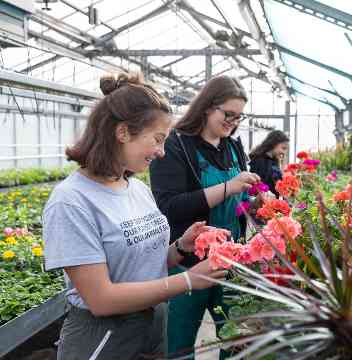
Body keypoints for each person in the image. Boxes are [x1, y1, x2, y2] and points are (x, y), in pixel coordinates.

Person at [43, 72, 227, 360]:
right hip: (104, 337)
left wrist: (180, 248)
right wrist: (188, 281)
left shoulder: (137, 189)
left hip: (152, 325)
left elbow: (140, 264)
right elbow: (101, 299)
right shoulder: (71, 201)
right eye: (157, 139)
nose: (162, 152)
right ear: (123, 132)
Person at [149, 75, 260, 358]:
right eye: (228, 114)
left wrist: (255, 201)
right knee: (180, 343)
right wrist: (228, 187)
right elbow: (169, 206)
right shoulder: (175, 145)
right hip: (186, 262)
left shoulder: (233, 147)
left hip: (232, 261)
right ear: (208, 107)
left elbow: (239, 201)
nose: (233, 121)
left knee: (237, 339)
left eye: (239, 116)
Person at [249, 130, 289, 197]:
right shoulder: (259, 161)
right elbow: (257, 187)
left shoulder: (274, 160)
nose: (284, 152)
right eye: (283, 148)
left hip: (273, 202)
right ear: (273, 144)